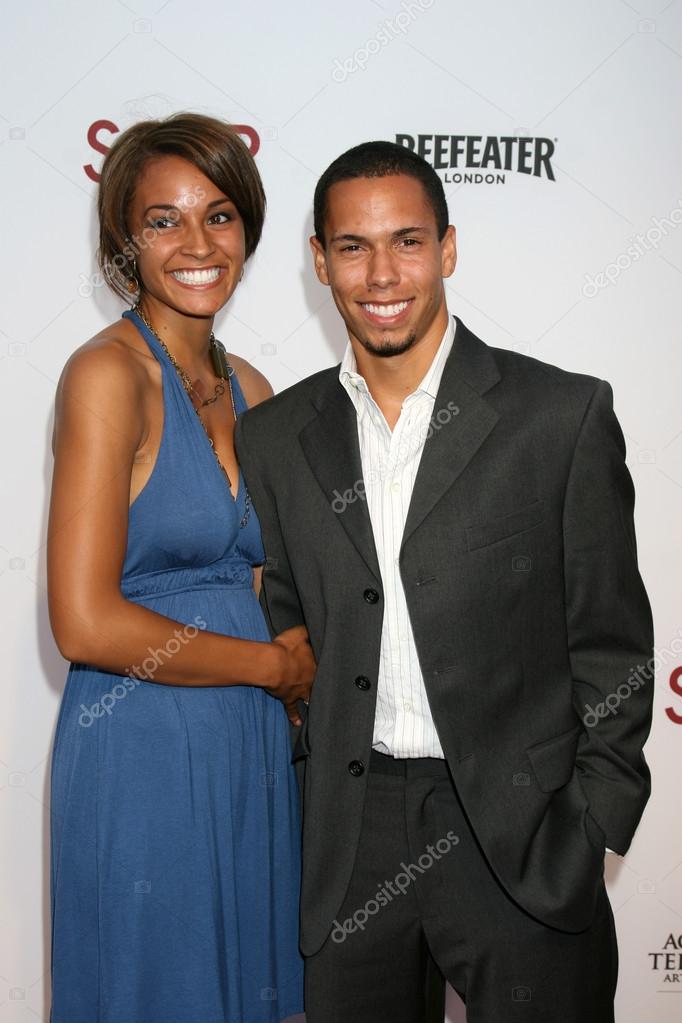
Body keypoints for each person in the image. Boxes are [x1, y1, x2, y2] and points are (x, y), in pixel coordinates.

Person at [234, 140, 654, 1023]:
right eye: (353, 246)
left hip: (523, 830)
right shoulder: (275, 436)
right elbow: (288, 623)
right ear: (319, 261)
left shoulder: (558, 416)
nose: (382, 274)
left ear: (448, 249)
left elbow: (612, 644)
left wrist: (591, 822)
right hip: (352, 838)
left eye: (408, 241)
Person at [47, 113, 314, 1023]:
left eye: (219, 215)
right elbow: (84, 621)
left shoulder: (255, 391)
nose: (198, 244)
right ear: (124, 242)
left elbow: (265, 585)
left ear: (248, 229)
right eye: (163, 220)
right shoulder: (106, 376)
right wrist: (272, 666)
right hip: (144, 742)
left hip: (250, 748)